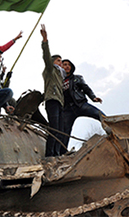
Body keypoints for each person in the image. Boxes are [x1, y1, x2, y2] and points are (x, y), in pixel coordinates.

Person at [60, 59, 106, 155]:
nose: (67, 66)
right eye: (64, 65)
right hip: (67, 109)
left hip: (80, 104)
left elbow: (86, 88)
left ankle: (116, 132)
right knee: (65, 131)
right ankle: (62, 152)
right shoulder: (58, 81)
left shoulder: (77, 78)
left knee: (100, 115)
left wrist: (93, 97)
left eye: (69, 65)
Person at [40, 24, 65, 157]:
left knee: (60, 130)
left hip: (60, 102)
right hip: (52, 100)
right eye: (58, 61)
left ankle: (56, 153)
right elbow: (46, 56)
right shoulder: (51, 70)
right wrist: (45, 41)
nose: (60, 63)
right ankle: (50, 155)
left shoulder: (61, 76)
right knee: (54, 128)